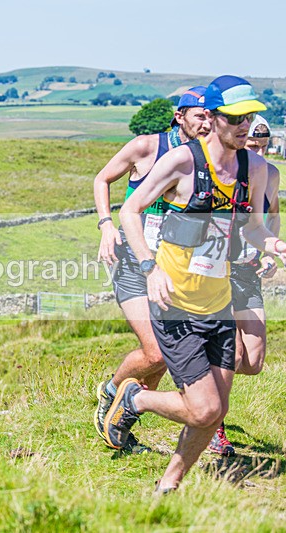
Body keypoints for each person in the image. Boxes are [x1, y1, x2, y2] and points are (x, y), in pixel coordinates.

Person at [106, 75, 286, 492]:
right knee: (203, 410)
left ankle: (168, 487)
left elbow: (255, 228)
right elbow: (131, 211)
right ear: (213, 117)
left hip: (218, 304)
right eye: (236, 119)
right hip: (176, 304)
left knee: (215, 411)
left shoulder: (255, 168)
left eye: (251, 118)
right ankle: (135, 398)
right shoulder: (182, 162)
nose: (245, 126)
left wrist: (274, 243)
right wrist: (151, 268)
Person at [92, 87, 214, 453]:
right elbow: (102, 179)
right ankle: (111, 392)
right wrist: (106, 224)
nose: (206, 122)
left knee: (160, 362)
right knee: (156, 351)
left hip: (173, 267)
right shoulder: (147, 146)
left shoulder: (205, 157)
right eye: (200, 115)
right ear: (180, 116)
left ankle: (121, 425)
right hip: (131, 260)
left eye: (212, 116)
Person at [212, 115, 282, 456]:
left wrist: (271, 251)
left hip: (247, 269)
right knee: (232, 353)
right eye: (252, 146)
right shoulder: (224, 170)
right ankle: (213, 422)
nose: (258, 152)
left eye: (264, 147)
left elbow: (273, 215)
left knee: (252, 361)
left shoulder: (269, 174)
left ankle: (198, 382)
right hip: (215, 270)